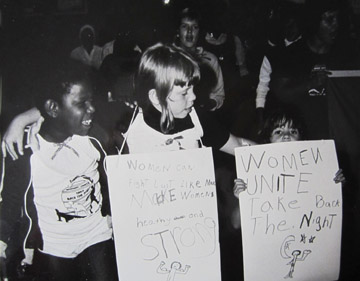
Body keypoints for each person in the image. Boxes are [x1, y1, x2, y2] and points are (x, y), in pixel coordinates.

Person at [0, 63, 118, 281]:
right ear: (53, 109)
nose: (92, 108)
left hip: (97, 234)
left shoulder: (94, 135)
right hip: (54, 245)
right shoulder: (26, 150)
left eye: (91, 100)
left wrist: (115, 210)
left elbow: (117, 174)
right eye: (82, 103)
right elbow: (10, 200)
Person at [123, 42, 254, 155]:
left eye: (193, 89)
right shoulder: (129, 125)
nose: (194, 97)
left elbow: (240, 146)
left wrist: (272, 152)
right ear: (156, 97)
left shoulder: (198, 119)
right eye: (184, 93)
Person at [232, 109, 345, 228]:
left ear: (301, 139)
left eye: (293, 131)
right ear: (268, 139)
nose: (286, 136)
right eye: (278, 131)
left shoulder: (317, 172)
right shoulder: (255, 175)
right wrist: (241, 199)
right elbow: (236, 224)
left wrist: (336, 190)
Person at [174, 8, 225, 111]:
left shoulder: (210, 60)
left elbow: (219, 95)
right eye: (185, 26)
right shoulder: (168, 58)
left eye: (195, 27)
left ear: (200, 32)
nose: (189, 31)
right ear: (178, 31)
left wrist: (206, 105)